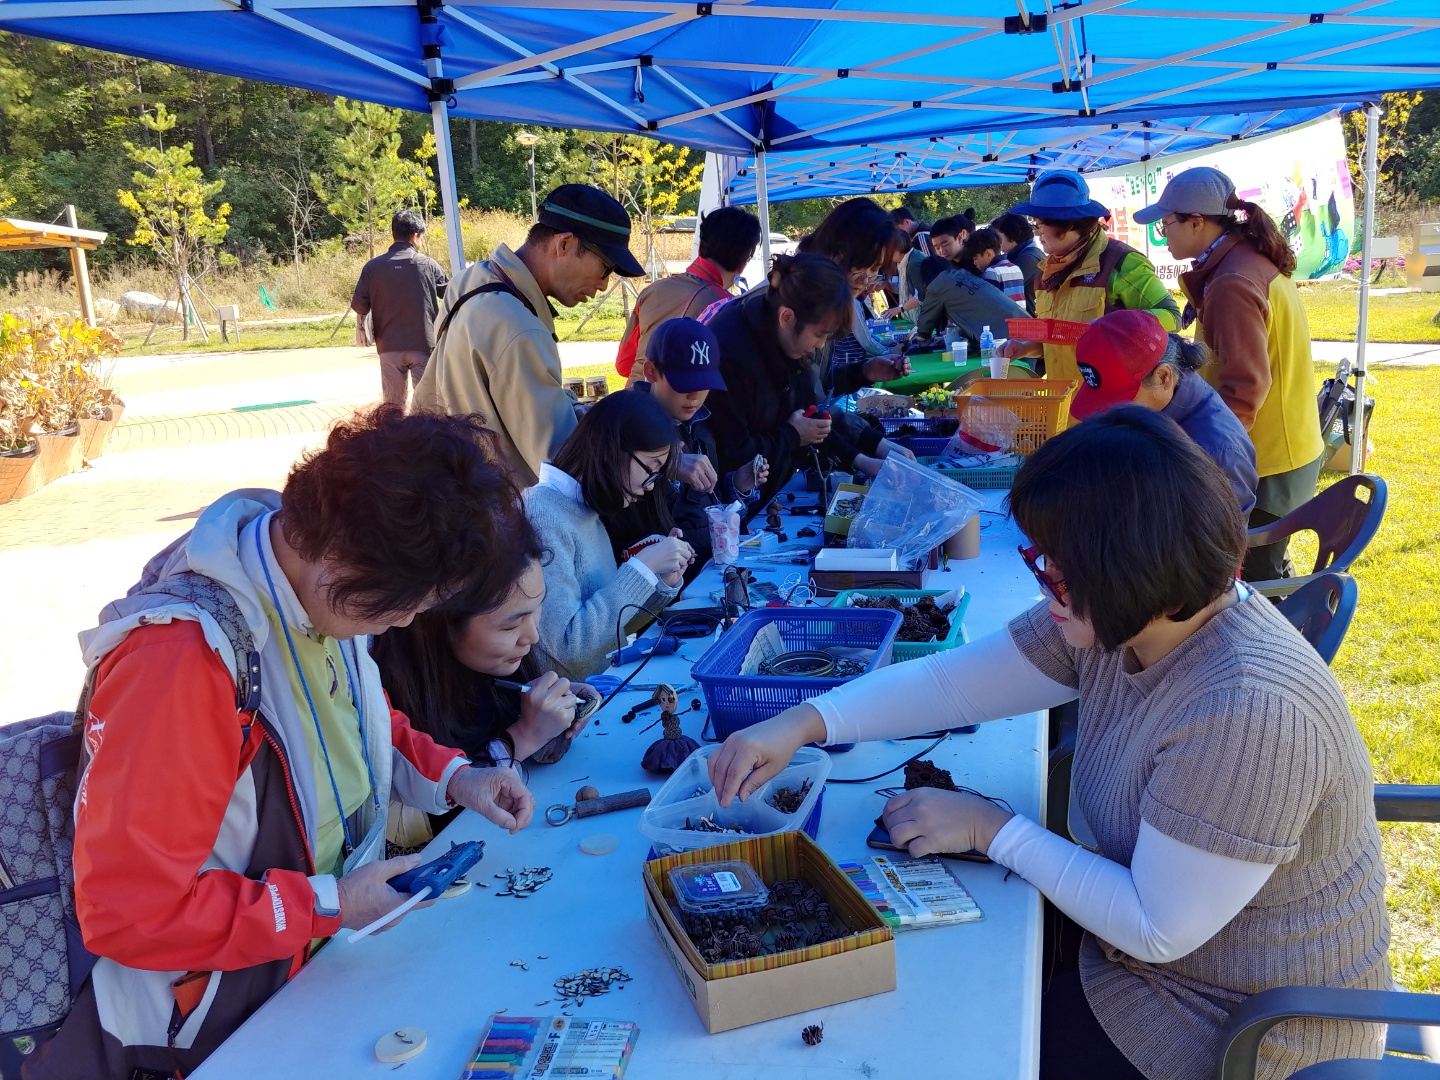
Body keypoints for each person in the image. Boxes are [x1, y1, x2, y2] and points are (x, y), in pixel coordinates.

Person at [708, 406, 1389, 1080]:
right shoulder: (1134, 614)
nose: (1044, 584)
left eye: (1058, 571)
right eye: (1042, 561)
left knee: (959, 1036)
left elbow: (1157, 926)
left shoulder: (1246, 710)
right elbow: (954, 687)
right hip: (1150, 965)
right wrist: (802, 721)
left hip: (1239, 1029)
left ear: (1134, 567)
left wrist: (992, 829)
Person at [27, 408, 539, 1080]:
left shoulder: (313, 581)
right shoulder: (178, 664)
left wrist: (454, 779)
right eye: (405, 602)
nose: (410, 620)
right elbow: (131, 912)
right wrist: (332, 904)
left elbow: (357, 715)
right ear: (349, 558)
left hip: (310, 977)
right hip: (205, 1031)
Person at [1133, 167, 1326, 581]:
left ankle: (1286, 643)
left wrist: (1204, 465)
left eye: (1166, 223)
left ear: (1197, 222)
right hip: (1280, 448)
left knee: (1254, 579)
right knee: (1269, 568)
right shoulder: (1237, 261)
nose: (1162, 234)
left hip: (1266, 460)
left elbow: (1245, 388)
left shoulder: (1231, 281)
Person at [412, 184, 645, 487]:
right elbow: (562, 467)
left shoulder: (474, 279)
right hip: (501, 514)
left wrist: (568, 406)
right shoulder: (521, 330)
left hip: (446, 487)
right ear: (564, 244)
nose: (603, 285)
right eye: (606, 268)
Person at [705, 253, 909, 508]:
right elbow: (733, 454)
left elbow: (810, 417)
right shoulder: (730, 355)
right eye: (819, 335)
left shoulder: (784, 337)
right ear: (787, 318)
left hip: (770, 494)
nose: (820, 346)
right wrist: (791, 435)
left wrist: (863, 460)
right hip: (727, 509)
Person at [525, 390, 691, 680]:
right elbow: (568, 648)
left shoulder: (583, 510)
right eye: (651, 469)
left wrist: (660, 581)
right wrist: (642, 568)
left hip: (599, 689)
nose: (651, 486)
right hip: (570, 708)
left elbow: (613, 631)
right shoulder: (543, 517)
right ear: (613, 450)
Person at [998, 170, 1179, 385]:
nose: (1036, 233)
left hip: (1113, 402)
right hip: (1065, 404)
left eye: (1039, 225)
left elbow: (1172, 316)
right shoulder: (1047, 271)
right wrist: (1029, 347)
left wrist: (1117, 325)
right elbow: (1059, 337)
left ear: (1067, 224)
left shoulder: (1121, 262)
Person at [1071, 310, 1258, 515]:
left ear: (1163, 377)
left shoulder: (1217, 451)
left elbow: (1221, 541)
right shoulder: (1156, 408)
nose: (1107, 416)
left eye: (1119, 402)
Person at [626, 317, 768, 562]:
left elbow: (708, 504)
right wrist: (665, 464)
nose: (694, 396)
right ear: (650, 372)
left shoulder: (701, 425)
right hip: (659, 576)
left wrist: (736, 485)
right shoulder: (624, 423)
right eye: (684, 384)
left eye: (703, 385)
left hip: (708, 563)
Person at [614, 206, 762, 384]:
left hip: (630, 401)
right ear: (744, 261)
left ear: (700, 247)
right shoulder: (727, 307)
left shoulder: (651, 290)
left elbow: (623, 364)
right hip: (680, 408)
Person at [350, 209, 449, 406]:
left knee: (392, 407)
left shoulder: (373, 267)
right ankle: (426, 437)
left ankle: (395, 437)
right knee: (428, 406)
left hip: (388, 347)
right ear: (415, 236)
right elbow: (450, 295)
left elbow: (360, 305)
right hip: (423, 345)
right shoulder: (428, 265)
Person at [914, 254, 1028, 348]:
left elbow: (925, 323)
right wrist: (949, 337)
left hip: (1005, 336)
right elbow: (974, 314)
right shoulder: (963, 274)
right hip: (1023, 324)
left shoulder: (937, 285)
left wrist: (922, 336)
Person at [992, 212, 1045, 315]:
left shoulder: (1028, 259)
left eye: (998, 237)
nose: (996, 242)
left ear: (1011, 237)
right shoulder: (1025, 253)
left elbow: (1000, 293)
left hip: (1029, 323)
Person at [974, 227, 1027, 308]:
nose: (975, 263)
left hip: (1002, 320)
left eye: (975, 258)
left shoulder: (992, 271)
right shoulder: (1015, 268)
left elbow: (988, 305)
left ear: (988, 254)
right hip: (1019, 319)